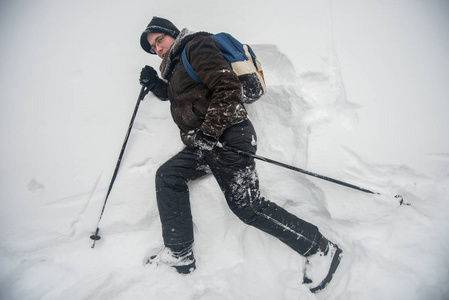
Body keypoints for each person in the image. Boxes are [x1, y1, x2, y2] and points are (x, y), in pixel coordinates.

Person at [139, 16, 342, 292]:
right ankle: (179, 253)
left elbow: (226, 87)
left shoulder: (195, 46)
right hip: (206, 144)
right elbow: (188, 98)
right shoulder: (175, 69)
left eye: (159, 40)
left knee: (248, 207)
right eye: (153, 48)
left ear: (172, 34)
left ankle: (320, 247)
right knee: (168, 176)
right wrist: (156, 85)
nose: (157, 49)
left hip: (229, 135)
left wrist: (210, 133)